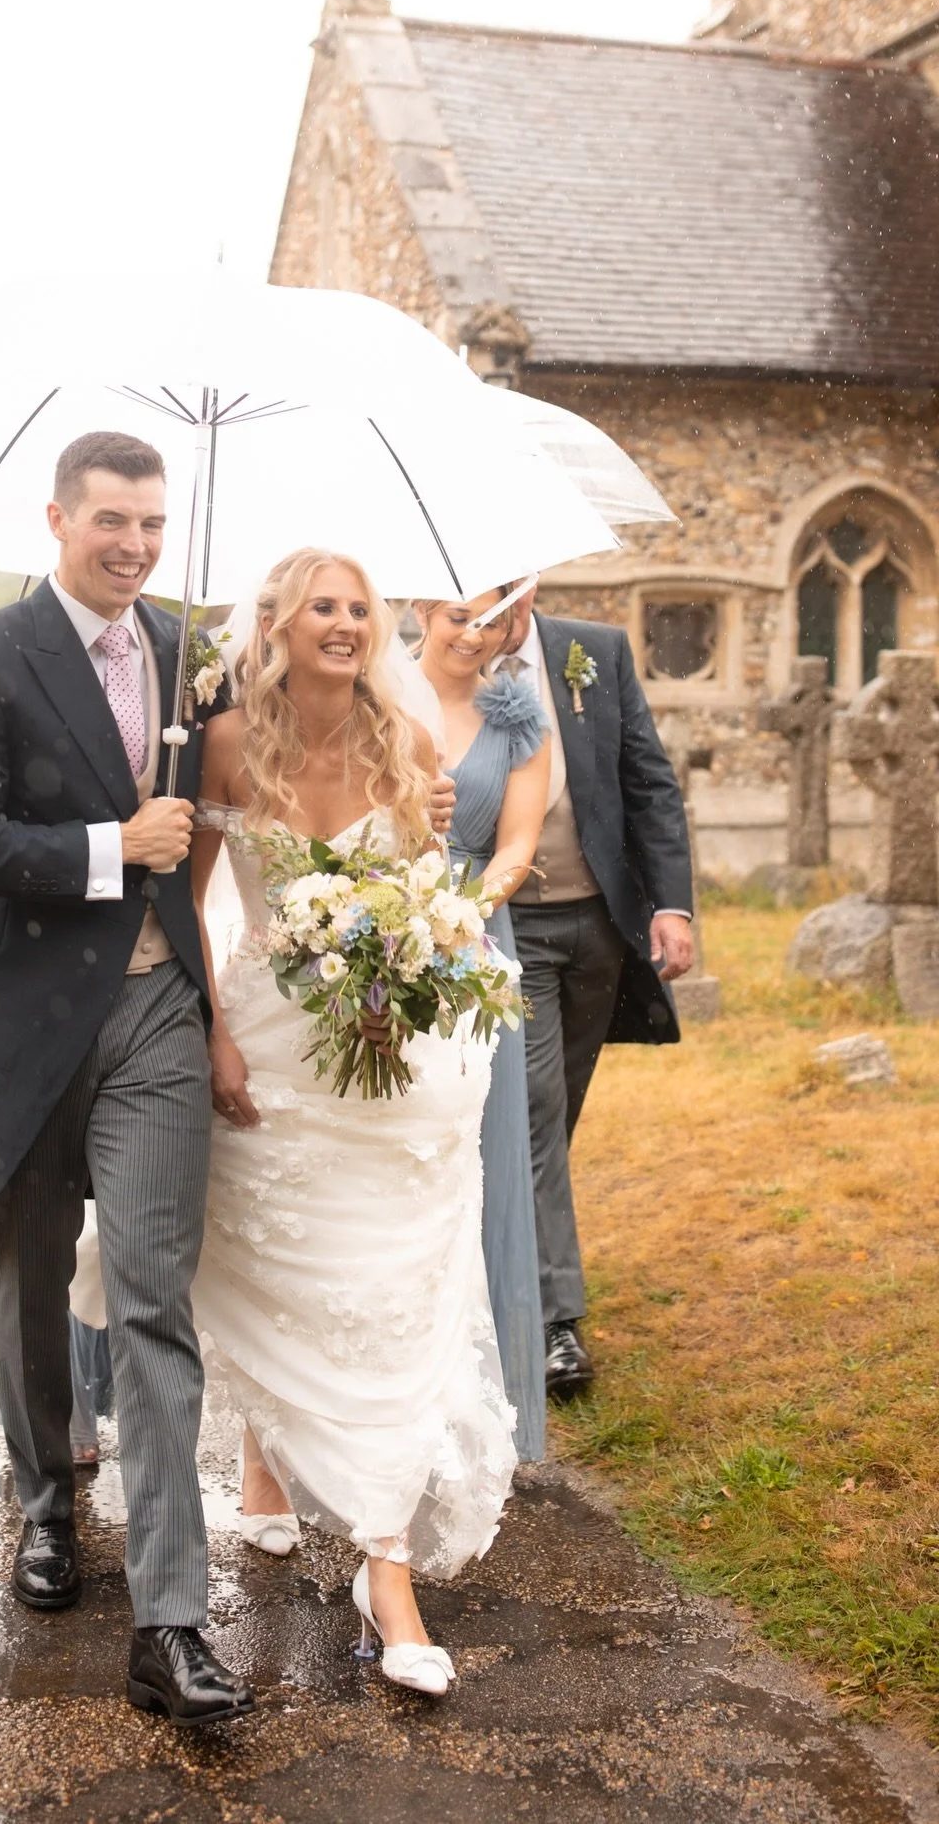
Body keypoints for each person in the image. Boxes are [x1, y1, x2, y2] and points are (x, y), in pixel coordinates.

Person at [0, 431, 254, 1729]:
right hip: (32, 1024)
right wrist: (111, 843)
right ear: (55, 516)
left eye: (154, 524)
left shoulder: (185, 649)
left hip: (161, 1013)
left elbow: (226, 799)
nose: (135, 545)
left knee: (157, 1300)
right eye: (112, 519)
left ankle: (172, 1615)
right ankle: (49, 1500)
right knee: (31, 1275)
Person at [190, 548, 517, 1702]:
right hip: (272, 1040)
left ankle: (388, 1570)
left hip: (390, 1056)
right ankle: (269, 1460)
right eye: (319, 607)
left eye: (356, 609)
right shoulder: (226, 744)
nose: (340, 623)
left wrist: (436, 860)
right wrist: (216, 1031)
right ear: (276, 623)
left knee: (384, 1289)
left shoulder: (406, 740)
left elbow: (428, 896)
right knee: (284, 1266)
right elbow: (188, 902)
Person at [497, 590, 693, 1397]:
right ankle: (555, 1323)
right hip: (509, 929)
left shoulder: (595, 651)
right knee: (537, 1108)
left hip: (599, 924)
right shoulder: (436, 662)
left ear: (530, 587)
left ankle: (508, 1260)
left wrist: (671, 903)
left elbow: (648, 782)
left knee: (554, 1114)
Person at [415, 587, 550, 1463]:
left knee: (485, 1158)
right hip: (377, 923)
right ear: (424, 608)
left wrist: (463, 908)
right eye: (461, 614)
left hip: (472, 940)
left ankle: (486, 1411)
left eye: (495, 620)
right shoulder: (374, 701)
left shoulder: (518, 718)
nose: (476, 633)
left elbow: (516, 843)